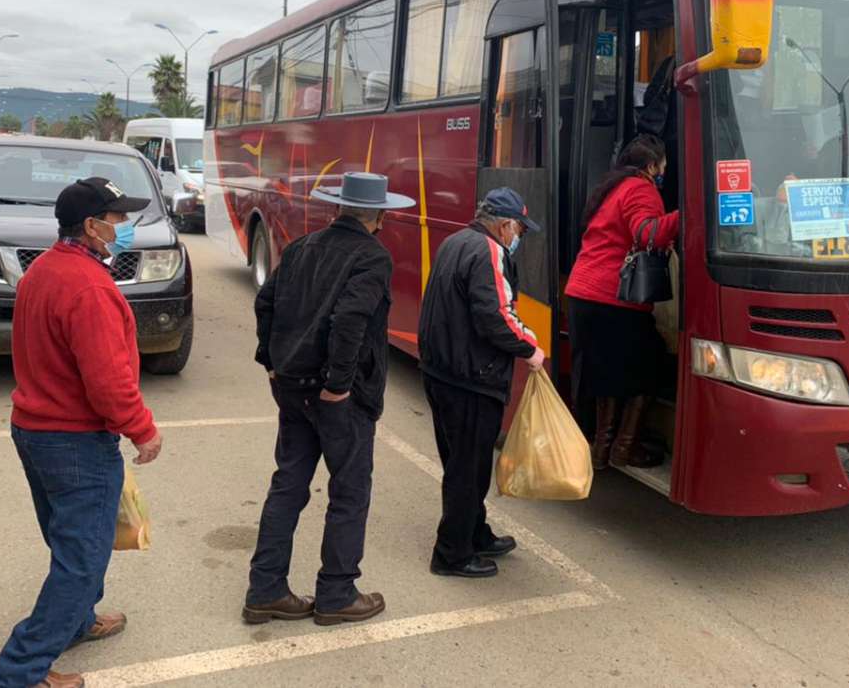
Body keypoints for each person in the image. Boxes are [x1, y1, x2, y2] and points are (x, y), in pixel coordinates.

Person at [0, 177, 162, 688]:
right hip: (74, 439)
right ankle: (20, 673)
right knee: (82, 559)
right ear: (91, 226)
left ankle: (80, 620)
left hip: (37, 429)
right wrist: (142, 429)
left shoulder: (45, 268)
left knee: (71, 540)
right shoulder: (89, 286)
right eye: (116, 219)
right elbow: (108, 378)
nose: (123, 228)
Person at [246, 172, 413, 627]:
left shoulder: (302, 247)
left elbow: (266, 303)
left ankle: (265, 590)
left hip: (292, 386)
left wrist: (271, 360)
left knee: (288, 485)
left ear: (338, 207)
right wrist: (338, 385)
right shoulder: (372, 256)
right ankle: (337, 592)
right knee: (349, 492)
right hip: (340, 397)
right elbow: (350, 321)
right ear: (378, 215)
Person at [418, 188, 545, 579]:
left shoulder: (455, 240)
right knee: (468, 468)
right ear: (505, 224)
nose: (518, 236)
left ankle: (475, 532)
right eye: (519, 228)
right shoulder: (489, 251)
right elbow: (496, 316)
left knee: (462, 462)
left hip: (442, 370)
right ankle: (452, 553)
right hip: (471, 377)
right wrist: (530, 348)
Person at [565, 135, 679, 470]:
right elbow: (648, 233)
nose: (664, 173)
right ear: (650, 166)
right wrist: (687, 215)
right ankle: (624, 448)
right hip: (613, 298)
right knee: (651, 365)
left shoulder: (611, 187)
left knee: (606, 375)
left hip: (584, 293)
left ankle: (602, 450)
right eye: (663, 167)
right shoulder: (640, 189)